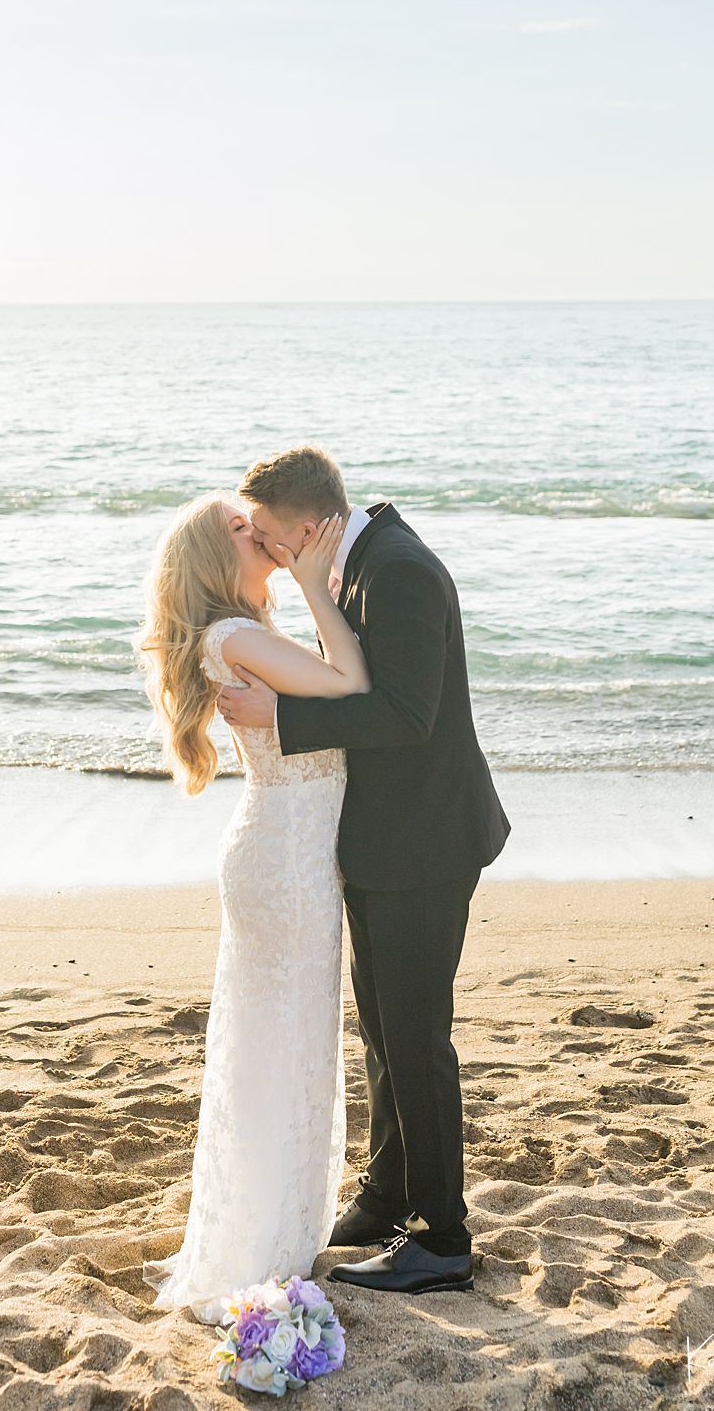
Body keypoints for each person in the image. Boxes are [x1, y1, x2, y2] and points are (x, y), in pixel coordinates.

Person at [220, 446, 511, 1295]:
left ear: (308, 530)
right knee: (384, 1032)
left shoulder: (401, 571)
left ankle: (443, 1239)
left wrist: (282, 713)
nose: (270, 554)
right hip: (384, 839)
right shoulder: (352, 562)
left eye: (273, 541)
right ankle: (387, 1194)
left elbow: (407, 715)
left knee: (416, 1039)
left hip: (426, 842)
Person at [134, 490, 369, 1323]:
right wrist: (314, 582)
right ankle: (264, 1242)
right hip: (288, 861)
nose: (258, 531)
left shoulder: (234, 635)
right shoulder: (236, 637)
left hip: (279, 850)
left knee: (279, 1049)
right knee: (287, 1050)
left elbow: (318, 701)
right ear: (214, 558)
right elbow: (352, 683)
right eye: (242, 529)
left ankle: (270, 1229)